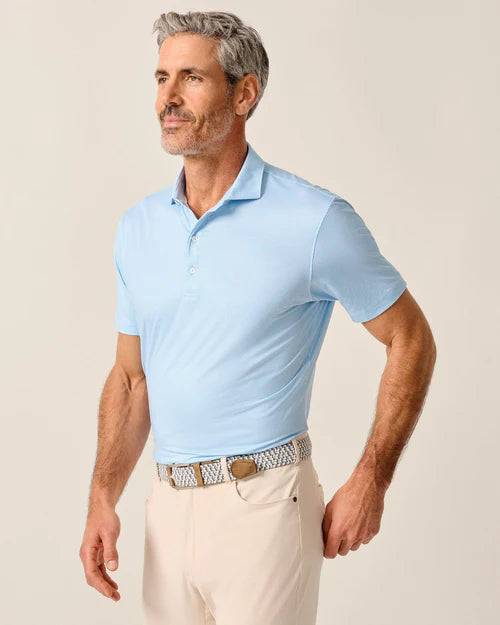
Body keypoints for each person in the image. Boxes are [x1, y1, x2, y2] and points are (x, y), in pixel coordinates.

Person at [79, 10, 436, 625]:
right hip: (166, 510)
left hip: (265, 507)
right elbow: (132, 379)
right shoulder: (138, 229)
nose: (168, 96)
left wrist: (371, 479)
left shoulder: (313, 220)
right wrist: (102, 496)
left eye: (191, 77)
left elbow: (410, 339)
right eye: (162, 77)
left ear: (244, 94)